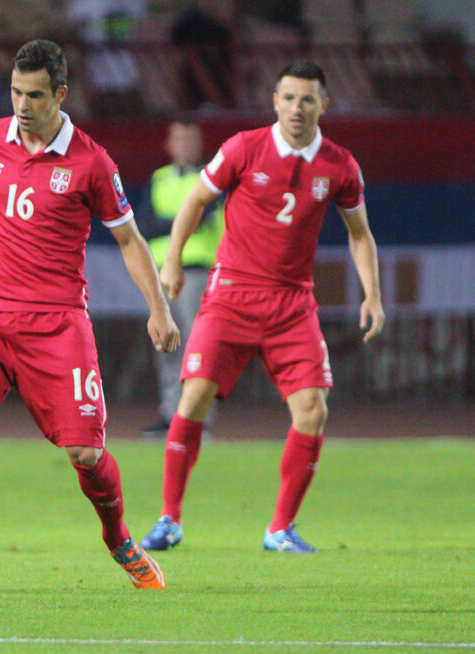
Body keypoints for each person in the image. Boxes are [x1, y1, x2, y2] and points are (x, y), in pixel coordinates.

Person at [0, 39, 179, 593]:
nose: (22, 105)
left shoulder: (92, 161)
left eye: (34, 95)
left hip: (56, 321)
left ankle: (119, 538)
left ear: (61, 94)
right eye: (14, 92)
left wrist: (158, 309)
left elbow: (128, 240)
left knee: (85, 451)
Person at [140, 61, 384, 554]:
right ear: (274, 100)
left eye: (307, 99)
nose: (297, 108)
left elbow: (360, 233)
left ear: (324, 105)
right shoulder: (244, 148)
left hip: (293, 303)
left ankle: (280, 528)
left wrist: (373, 295)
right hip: (231, 293)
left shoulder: (340, 165)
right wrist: (170, 262)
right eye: (289, 98)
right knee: (192, 401)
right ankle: (169, 518)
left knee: (313, 411)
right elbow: (193, 202)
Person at [137, 120, 223, 437]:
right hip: (161, 273)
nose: (184, 145)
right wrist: (186, 220)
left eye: (190, 139)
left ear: (200, 144)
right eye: (179, 139)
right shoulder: (159, 179)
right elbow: (144, 224)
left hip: (196, 272)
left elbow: (205, 218)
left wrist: (170, 223)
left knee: (198, 347)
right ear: (169, 144)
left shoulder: (211, 176)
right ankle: (170, 414)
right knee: (166, 344)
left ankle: (198, 419)